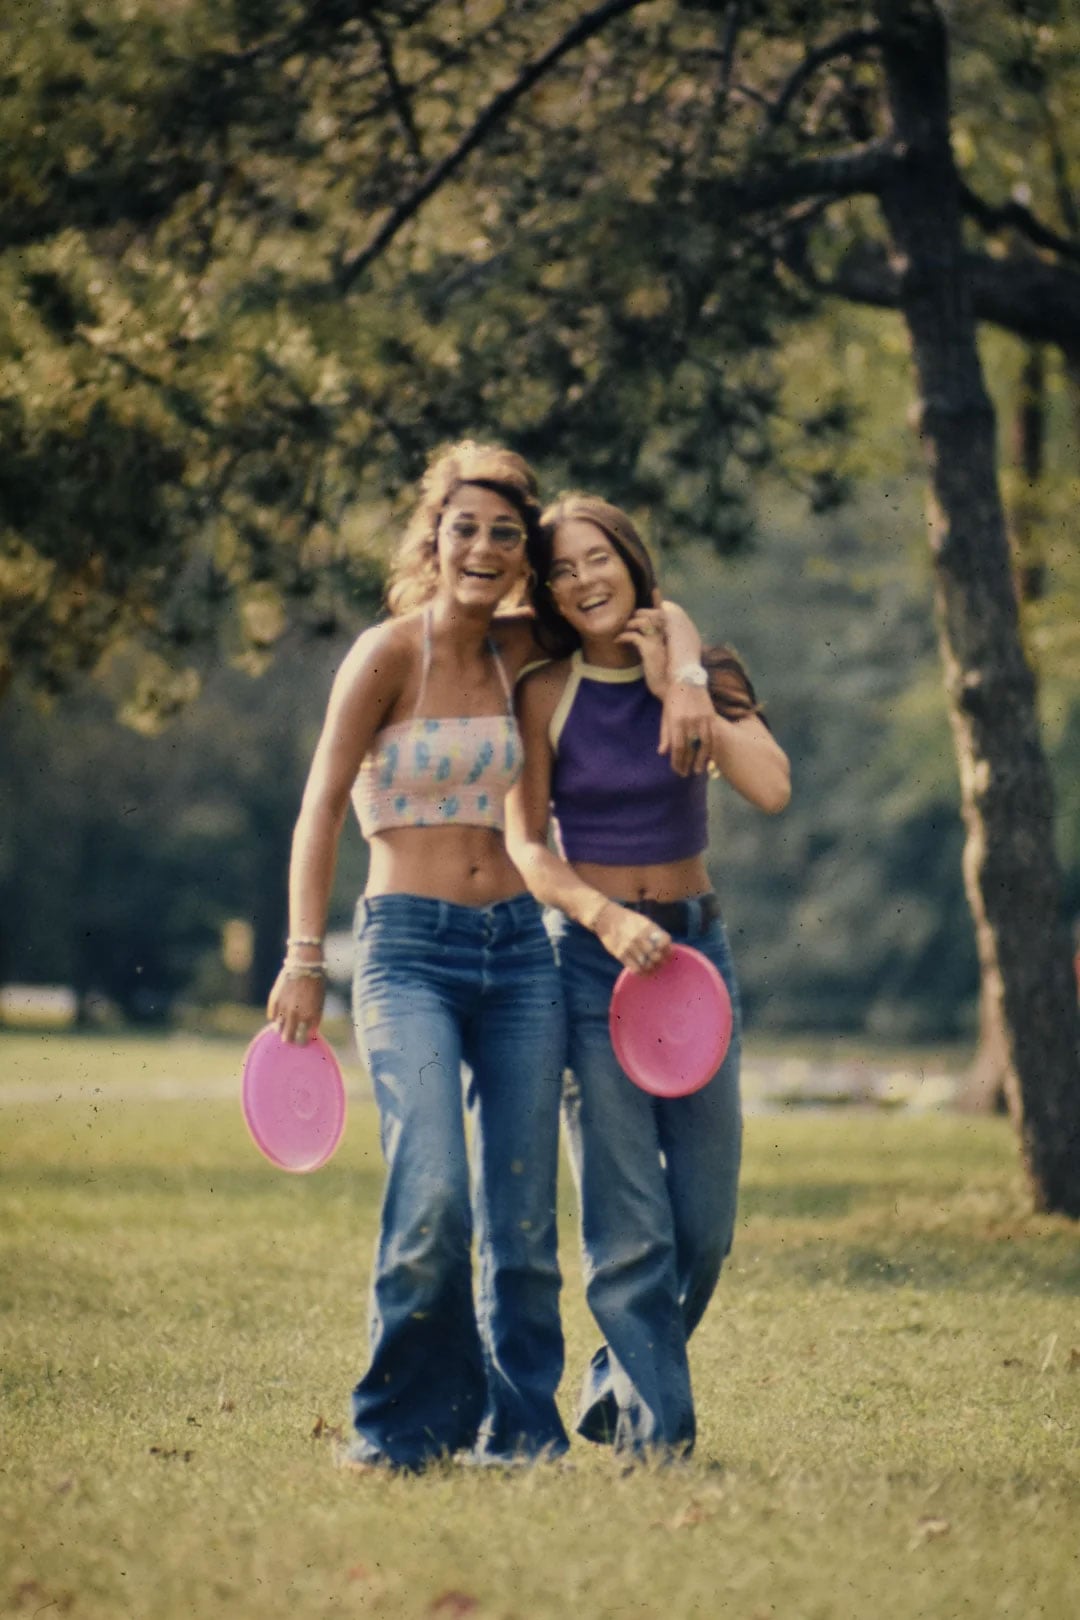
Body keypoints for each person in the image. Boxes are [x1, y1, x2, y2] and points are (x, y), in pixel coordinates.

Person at [267, 446, 715, 1472]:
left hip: (518, 955)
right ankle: (395, 1431)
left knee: (521, 1224)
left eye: (505, 534)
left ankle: (519, 1433)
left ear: (522, 553)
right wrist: (302, 954)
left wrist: (685, 668)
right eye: (465, 528)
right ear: (435, 538)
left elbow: (651, 608)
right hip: (407, 952)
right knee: (431, 1198)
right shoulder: (387, 653)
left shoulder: (526, 647)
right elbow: (320, 806)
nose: (483, 547)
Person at [506, 493, 791, 1460]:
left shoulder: (702, 674)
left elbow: (772, 788)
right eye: (562, 570)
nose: (584, 580)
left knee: (703, 1225)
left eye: (599, 559)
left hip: (696, 961)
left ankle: (617, 1374)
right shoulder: (546, 692)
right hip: (594, 967)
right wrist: (604, 916)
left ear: (632, 562)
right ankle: (657, 1443)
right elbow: (528, 849)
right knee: (630, 1227)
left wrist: (688, 684)